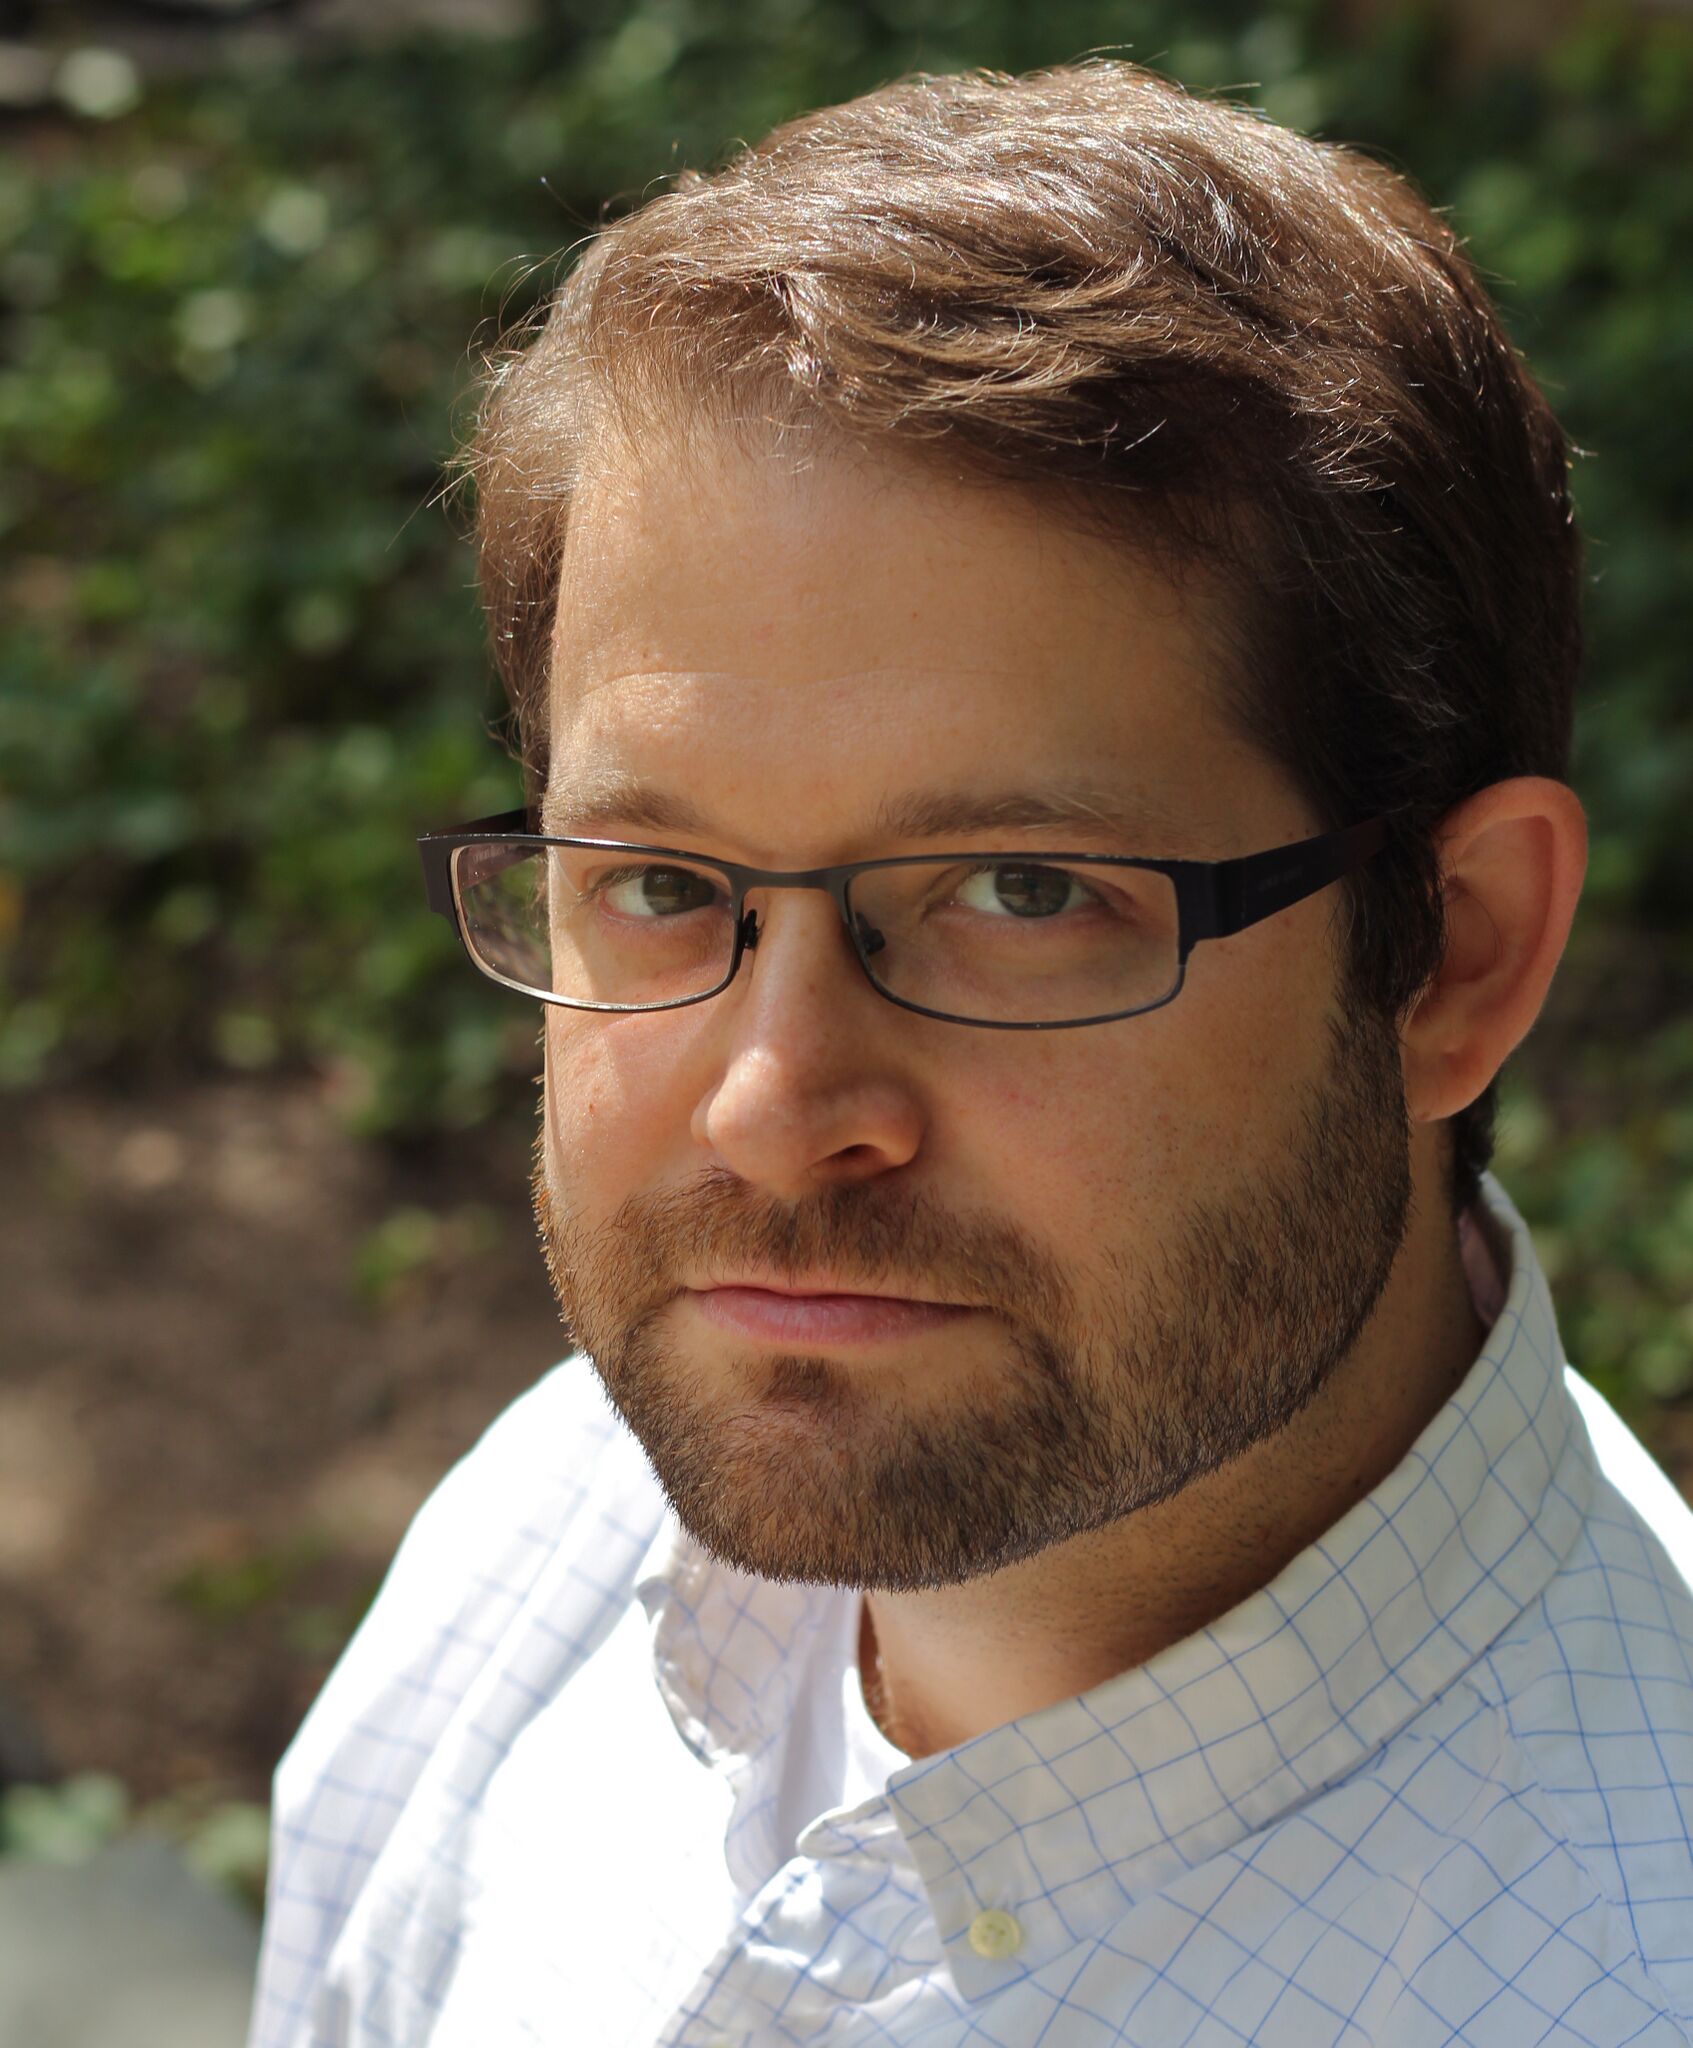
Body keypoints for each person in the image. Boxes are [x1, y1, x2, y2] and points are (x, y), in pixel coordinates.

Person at [246, 59, 1693, 2048]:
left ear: (1456, 954)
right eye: (656, 880)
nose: (773, 1109)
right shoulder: (551, 1531)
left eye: (1019, 892)